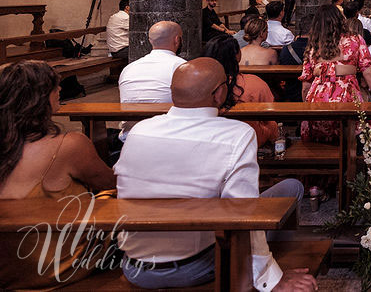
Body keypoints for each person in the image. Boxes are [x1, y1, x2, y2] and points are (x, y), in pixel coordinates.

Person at [115, 58, 316, 291]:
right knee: (291, 188)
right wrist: (271, 279)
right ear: (220, 93)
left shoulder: (140, 130)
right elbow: (245, 213)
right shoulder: (237, 134)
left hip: (135, 266)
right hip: (197, 265)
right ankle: (262, 275)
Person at [0, 60, 117, 290]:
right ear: (39, 97)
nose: (60, 90)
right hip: (51, 265)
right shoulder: (69, 145)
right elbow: (111, 183)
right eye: (55, 86)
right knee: (111, 199)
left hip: (6, 266)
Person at [300, 6, 371, 143]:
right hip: (346, 95)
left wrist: (306, 108)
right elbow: (368, 72)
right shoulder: (355, 40)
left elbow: (306, 85)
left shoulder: (313, 45)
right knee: (365, 125)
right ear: (340, 20)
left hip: (318, 98)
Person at [201, 35, 278, 146]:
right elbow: (270, 118)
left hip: (207, 138)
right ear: (238, 56)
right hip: (249, 140)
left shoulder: (198, 85)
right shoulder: (255, 83)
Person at [118, 21, 187, 140]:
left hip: (131, 136)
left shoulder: (129, 68)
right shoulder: (182, 67)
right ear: (177, 40)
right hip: (169, 136)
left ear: (150, 41)